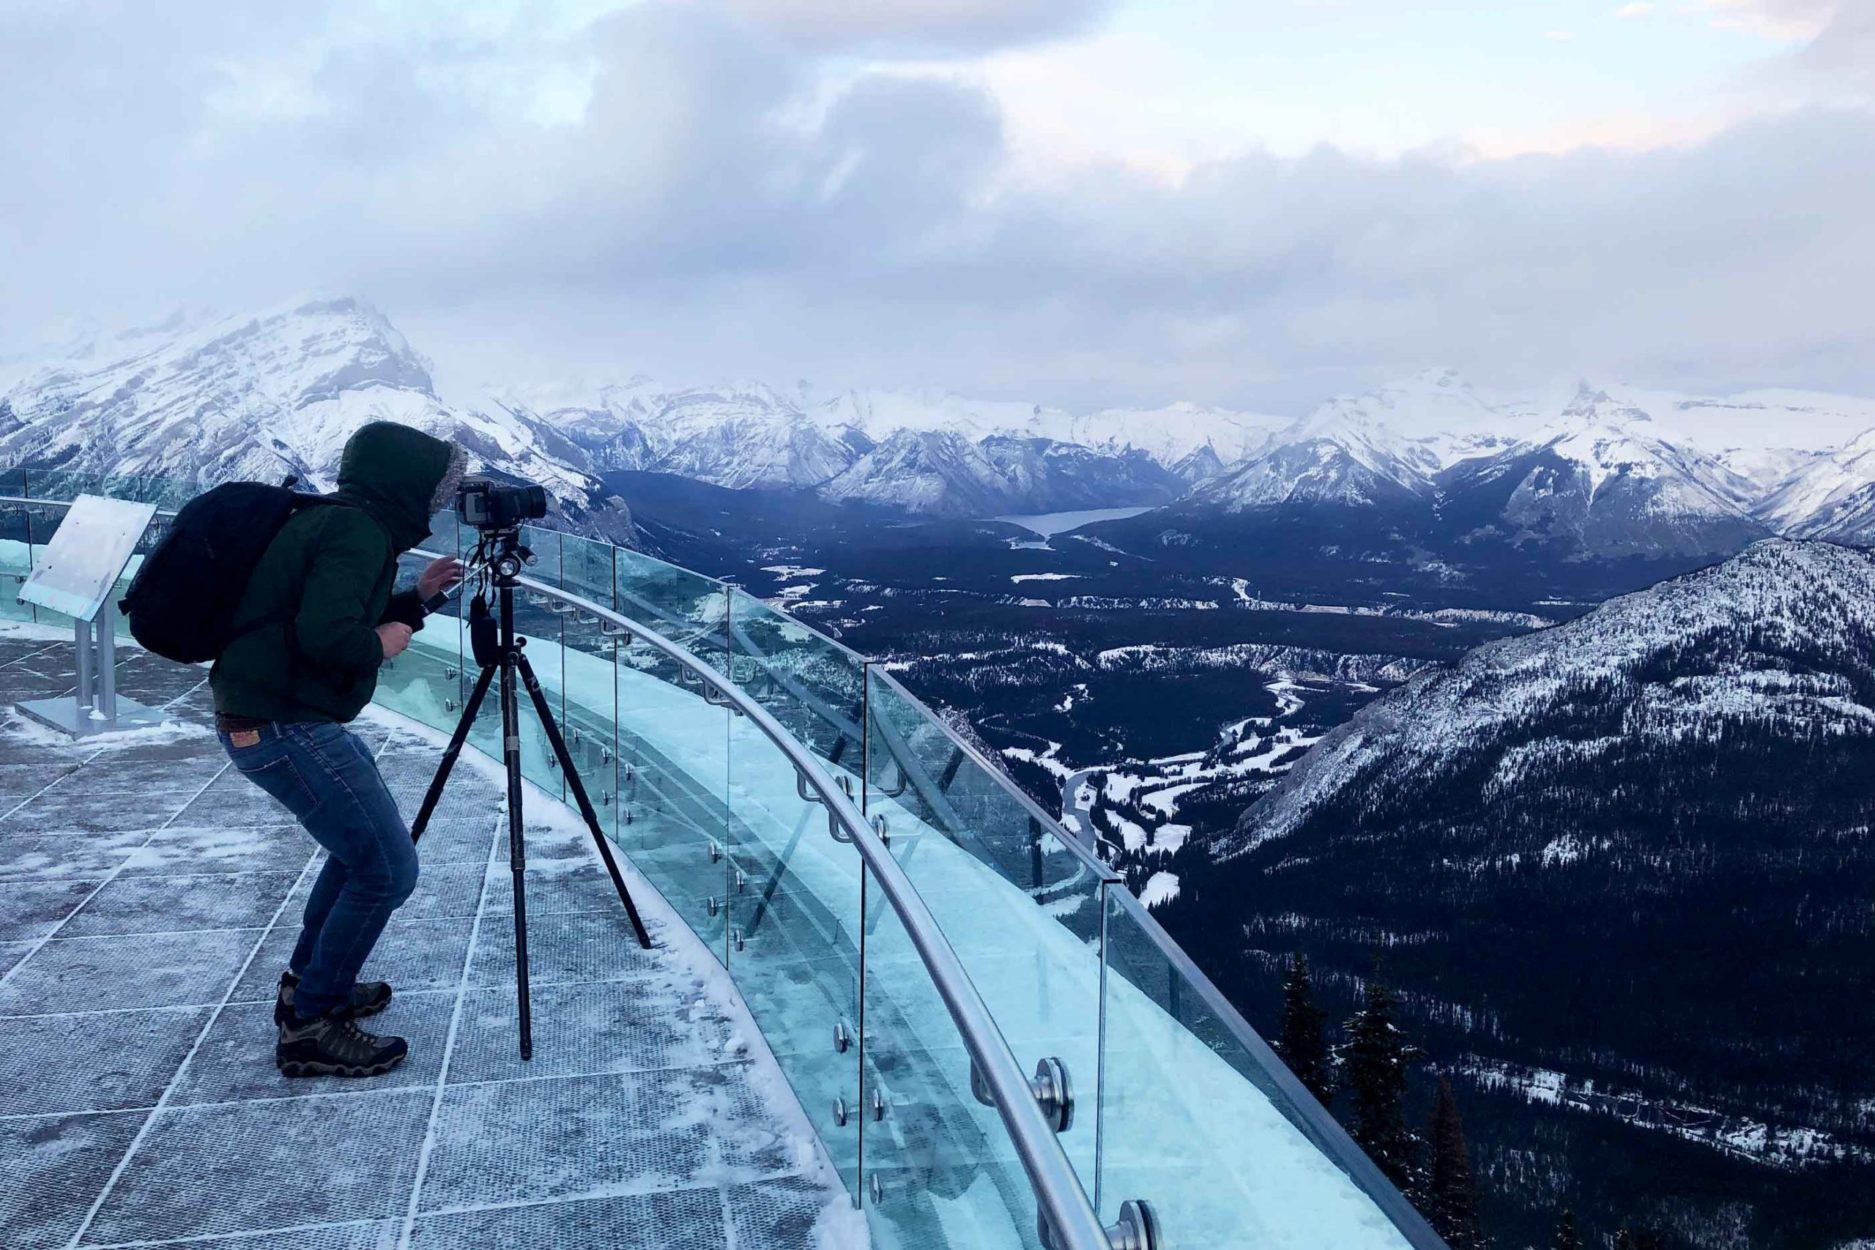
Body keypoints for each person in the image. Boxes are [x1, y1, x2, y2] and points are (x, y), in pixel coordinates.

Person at [212, 421, 466, 1077]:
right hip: (284, 723)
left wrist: (417, 600)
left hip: (265, 717)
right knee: (387, 869)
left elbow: (334, 605)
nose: (439, 503)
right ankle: (310, 1026)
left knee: (359, 853)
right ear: (404, 484)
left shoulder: (338, 519)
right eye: (435, 489)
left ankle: (310, 983)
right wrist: (381, 644)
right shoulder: (358, 531)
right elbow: (330, 634)